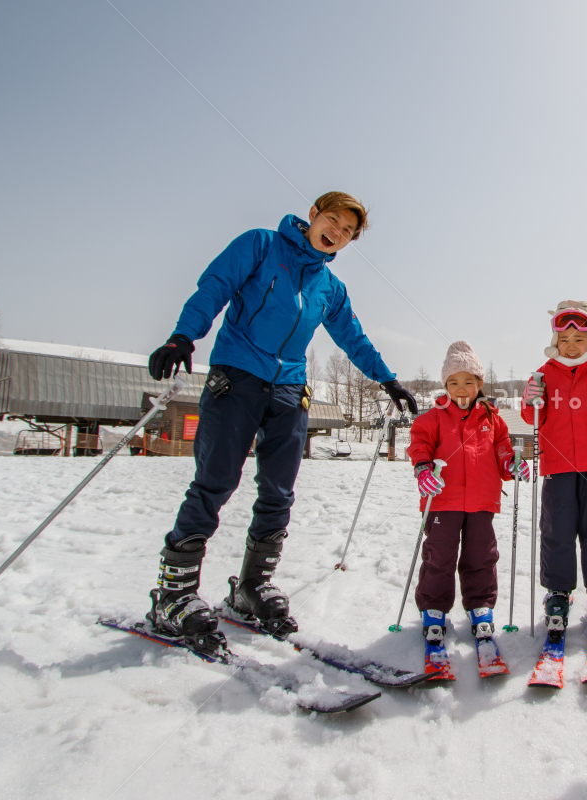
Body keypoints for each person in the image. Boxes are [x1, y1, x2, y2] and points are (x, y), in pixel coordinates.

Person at [145, 194, 418, 650]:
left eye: (348, 232)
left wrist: (387, 379)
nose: (337, 233)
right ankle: (173, 595)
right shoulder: (260, 245)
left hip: (289, 388)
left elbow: (352, 336)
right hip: (237, 376)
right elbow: (214, 286)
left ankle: (251, 589)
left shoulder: (329, 286)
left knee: (279, 490)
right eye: (332, 221)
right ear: (313, 215)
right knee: (214, 483)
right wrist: (183, 335)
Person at [521, 301, 587, 645]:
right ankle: (558, 591)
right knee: (557, 530)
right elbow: (530, 418)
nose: (571, 345)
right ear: (556, 338)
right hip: (558, 464)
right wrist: (530, 400)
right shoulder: (544, 371)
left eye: (578, 337)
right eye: (564, 338)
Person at [407, 341, 528, 650]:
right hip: (443, 501)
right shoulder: (434, 417)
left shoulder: (492, 419)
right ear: (445, 385)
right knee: (439, 557)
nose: (461, 389)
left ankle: (480, 607)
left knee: (481, 556)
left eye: (468, 382)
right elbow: (419, 444)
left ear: (480, 384)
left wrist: (511, 462)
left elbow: (502, 448)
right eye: (454, 383)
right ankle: (433, 610)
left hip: (481, 503)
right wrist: (423, 469)